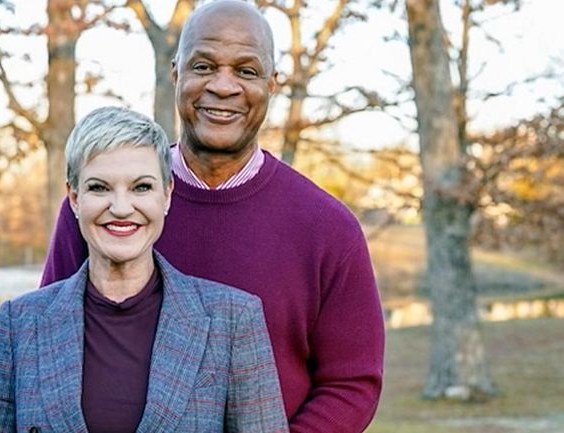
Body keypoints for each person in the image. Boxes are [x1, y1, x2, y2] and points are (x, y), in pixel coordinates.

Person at [40, 2, 385, 432]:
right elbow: (47, 349)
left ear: (272, 84)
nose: (223, 87)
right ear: (175, 73)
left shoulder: (328, 228)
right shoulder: (105, 211)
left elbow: (351, 383)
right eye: (203, 66)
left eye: (246, 71)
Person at [0, 106, 289, 433]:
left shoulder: (232, 320)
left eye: (141, 187)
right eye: (99, 188)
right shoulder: (20, 325)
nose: (120, 208)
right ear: (74, 198)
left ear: (167, 195)